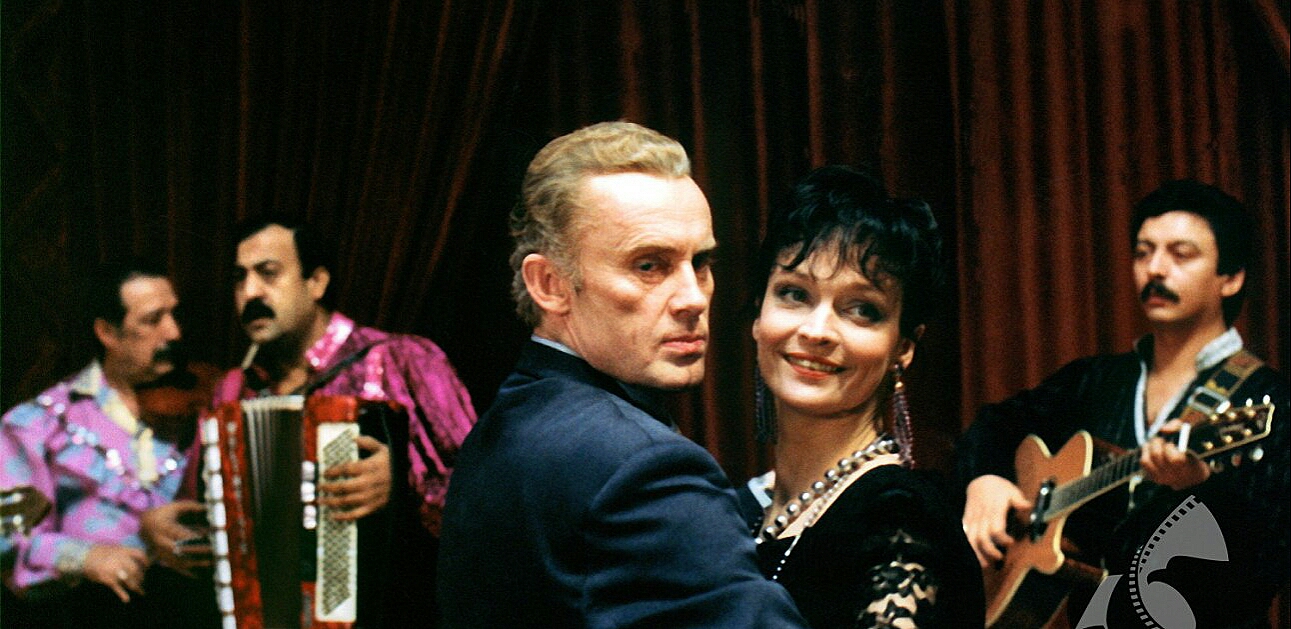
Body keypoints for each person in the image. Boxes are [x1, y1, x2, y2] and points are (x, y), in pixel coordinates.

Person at [436, 121, 809, 628]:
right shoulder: (644, 467)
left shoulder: (510, 419)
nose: (693, 298)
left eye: (700, 262)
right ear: (549, 284)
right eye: (649, 265)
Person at [957, 179, 1289, 627]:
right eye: (1143, 253)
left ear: (1231, 279)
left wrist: (1200, 490)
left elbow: (1265, 567)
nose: (1155, 269)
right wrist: (986, 479)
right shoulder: (1094, 380)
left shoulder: (1272, 403)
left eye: (1181, 255)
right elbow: (996, 424)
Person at [143, 216, 477, 627]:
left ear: (316, 282)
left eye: (268, 273)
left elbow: (487, 493)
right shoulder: (232, 391)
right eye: (239, 278)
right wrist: (161, 529)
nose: (250, 292)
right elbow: (205, 512)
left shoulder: (401, 360)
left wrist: (403, 486)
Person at [734, 165, 984, 628]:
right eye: (794, 294)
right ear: (757, 316)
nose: (816, 331)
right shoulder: (737, 511)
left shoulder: (901, 522)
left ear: (903, 347)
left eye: (861, 309)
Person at [1, 259, 217, 628]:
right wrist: (87, 557)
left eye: (174, 315)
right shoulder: (38, 424)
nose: (174, 332)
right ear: (107, 332)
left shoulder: (209, 404)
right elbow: (8, 539)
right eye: (153, 320)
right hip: (95, 615)